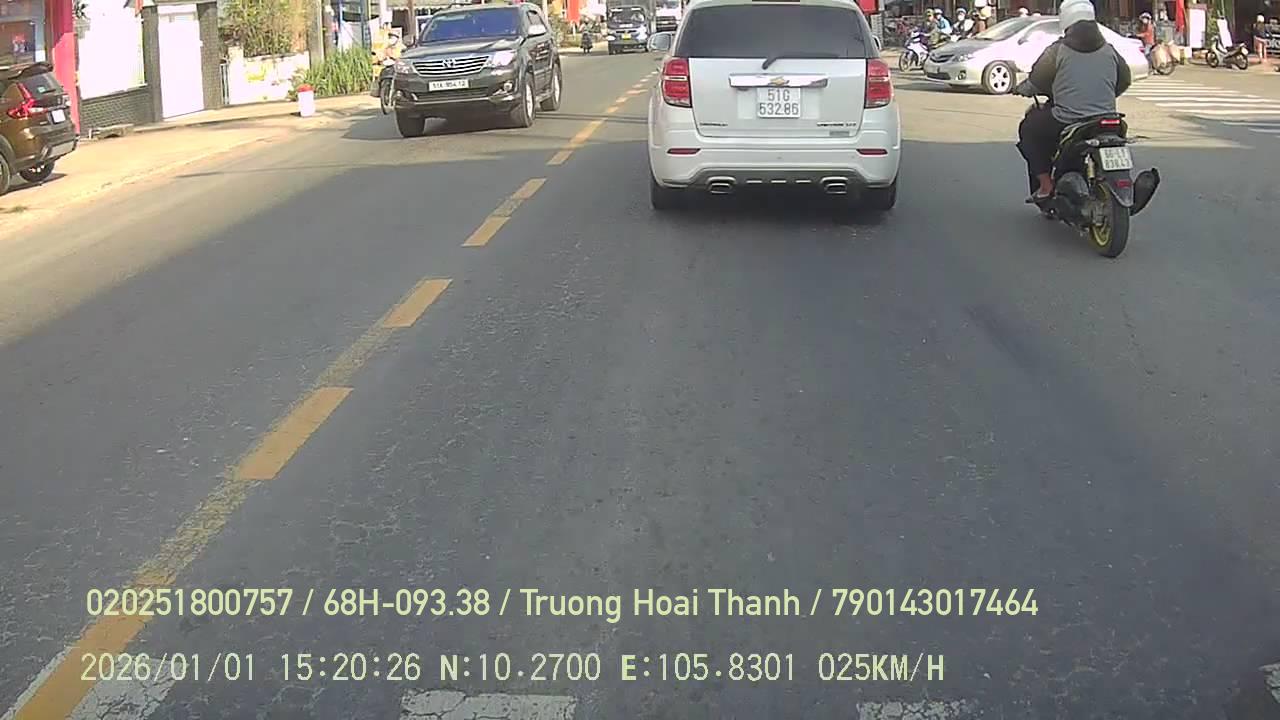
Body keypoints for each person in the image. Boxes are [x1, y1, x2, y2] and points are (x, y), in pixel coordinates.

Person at [1015, 0, 1132, 201]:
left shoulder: (1057, 50)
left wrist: (1021, 88)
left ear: (1066, 20)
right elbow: (1124, 80)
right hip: (1108, 118)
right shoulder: (1110, 50)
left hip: (1067, 119)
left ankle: (1046, 185)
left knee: (1029, 128)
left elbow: (1036, 82)